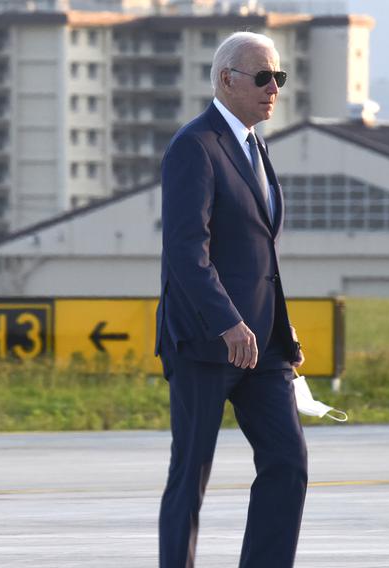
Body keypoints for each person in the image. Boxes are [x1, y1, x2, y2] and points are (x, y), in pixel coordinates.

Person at [154, 31, 307, 568]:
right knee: (190, 476)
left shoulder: (255, 147)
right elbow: (185, 252)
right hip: (203, 342)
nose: (274, 89)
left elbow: (259, 256)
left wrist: (279, 330)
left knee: (288, 463)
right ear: (226, 79)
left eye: (279, 78)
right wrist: (228, 323)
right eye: (263, 77)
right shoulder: (194, 146)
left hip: (262, 349)